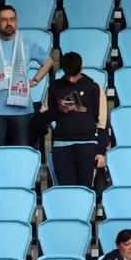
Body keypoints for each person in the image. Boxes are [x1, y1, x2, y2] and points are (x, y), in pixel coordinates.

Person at [0, 5, 53, 150]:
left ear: (17, 22)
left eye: (12, 19)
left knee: (22, 151)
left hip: (22, 110)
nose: (9, 23)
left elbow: (48, 61)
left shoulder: (26, 43)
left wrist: (36, 79)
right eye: (4, 20)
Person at [43, 52, 106, 189]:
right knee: (65, 192)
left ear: (81, 69)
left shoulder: (94, 87)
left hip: (88, 145)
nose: (71, 79)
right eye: (68, 75)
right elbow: (43, 118)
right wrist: (58, 110)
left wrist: (101, 151)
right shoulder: (54, 87)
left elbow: (103, 122)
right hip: (61, 146)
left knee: (85, 191)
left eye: (75, 74)